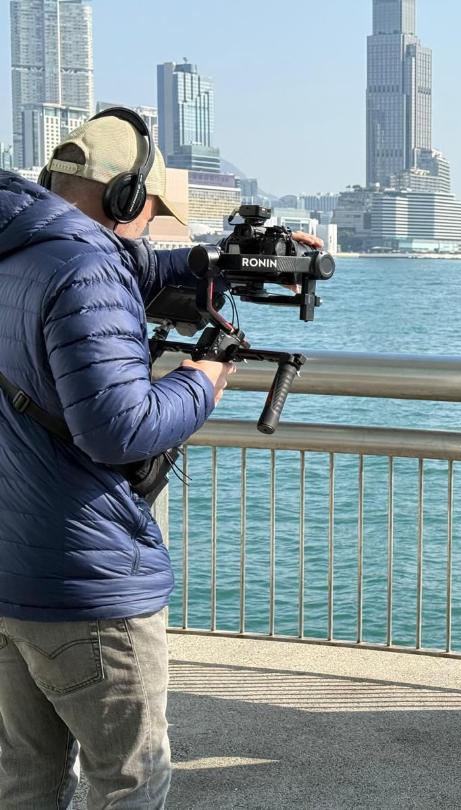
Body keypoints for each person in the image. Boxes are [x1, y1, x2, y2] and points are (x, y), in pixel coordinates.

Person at [0, 108, 316, 808]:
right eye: (152, 209)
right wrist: (201, 379)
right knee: (131, 783)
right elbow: (118, 428)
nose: (152, 226)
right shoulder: (84, 268)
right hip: (86, 586)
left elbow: (132, 267)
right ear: (124, 198)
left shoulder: (23, 247)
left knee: (27, 778)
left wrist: (225, 263)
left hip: (14, 568)